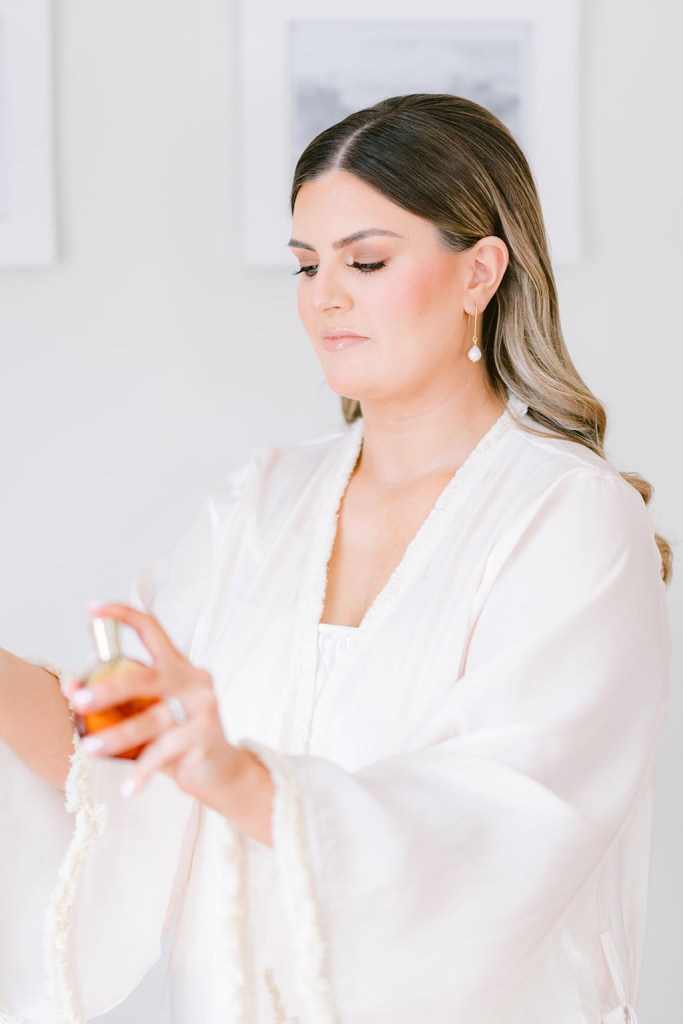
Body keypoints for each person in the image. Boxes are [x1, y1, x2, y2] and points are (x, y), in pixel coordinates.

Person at [0, 94, 671, 1024]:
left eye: (365, 260)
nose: (324, 297)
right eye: (306, 265)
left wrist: (234, 774)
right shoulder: (258, 504)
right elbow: (111, 760)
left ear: (479, 270)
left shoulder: (570, 520)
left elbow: (497, 832)